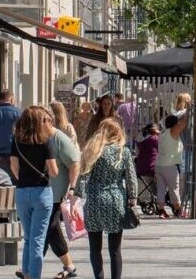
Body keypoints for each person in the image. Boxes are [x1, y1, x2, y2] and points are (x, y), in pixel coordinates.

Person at [79, 119, 137, 279]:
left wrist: (76, 194)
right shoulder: (122, 152)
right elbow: (131, 178)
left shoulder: (92, 149)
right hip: (115, 200)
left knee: (95, 248)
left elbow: (83, 176)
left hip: (94, 201)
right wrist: (133, 198)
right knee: (115, 250)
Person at [11, 106, 59, 279]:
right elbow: (54, 172)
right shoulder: (46, 142)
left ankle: (26, 272)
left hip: (22, 192)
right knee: (38, 239)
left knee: (29, 238)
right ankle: (34, 276)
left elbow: (14, 168)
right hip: (42, 192)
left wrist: (24, 178)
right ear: (40, 122)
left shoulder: (16, 141)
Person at [42, 108, 81, 279]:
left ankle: (69, 266)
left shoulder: (59, 139)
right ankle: (68, 266)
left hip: (57, 194)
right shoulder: (40, 138)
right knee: (45, 230)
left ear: (48, 121)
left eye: (39, 120)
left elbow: (74, 163)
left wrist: (72, 188)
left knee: (49, 228)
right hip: (43, 193)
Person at [155, 112, 188, 218]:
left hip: (159, 164)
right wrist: (189, 110)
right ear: (175, 124)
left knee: (161, 188)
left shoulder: (162, 133)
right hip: (170, 165)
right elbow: (183, 123)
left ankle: (161, 211)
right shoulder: (173, 132)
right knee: (174, 188)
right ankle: (178, 209)